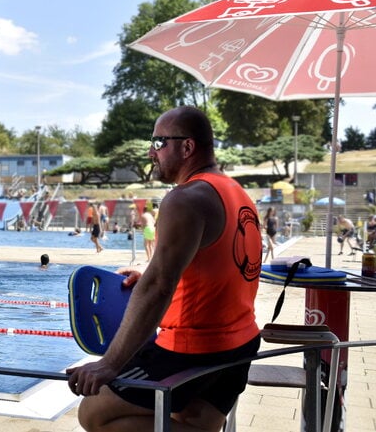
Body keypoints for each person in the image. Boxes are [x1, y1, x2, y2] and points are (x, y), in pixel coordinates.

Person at [66, 106, 261, 432]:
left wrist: (109, 365)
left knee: (94, 413)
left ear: (187, 147)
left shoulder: (184, 199)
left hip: (193, 349)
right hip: (240, 343)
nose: (150, 152)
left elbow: (158, 286)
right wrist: (156, 272)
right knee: (194, 422)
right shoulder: (236, 193)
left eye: (159, 142)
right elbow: (225, 265)